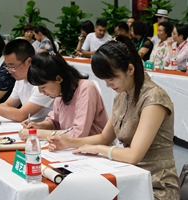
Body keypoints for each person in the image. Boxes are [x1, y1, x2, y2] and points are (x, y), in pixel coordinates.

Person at [48, 35, 180, 199]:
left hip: (155, 186)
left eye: (111, 79)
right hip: (128, 176)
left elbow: (133, 155)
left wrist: (98, 150)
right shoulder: (122, 95)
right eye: (104, 80)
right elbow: (105, 137)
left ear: (130, 70)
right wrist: (69, 142)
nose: (108, 85)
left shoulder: (154, 98)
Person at [18, 52, 108, 140]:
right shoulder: (60, 93)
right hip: (71, 149)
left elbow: (79, 133)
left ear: (58, 78)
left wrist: (37, 133)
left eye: (43, 87)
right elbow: (55, 122)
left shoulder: (86, 88)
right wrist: (39, 126)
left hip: (95, 151)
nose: (40, 91)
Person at [0, 39, 54, 122]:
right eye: (7, 67)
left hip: (45, 129)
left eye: (13, 66)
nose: (9, 71)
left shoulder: (43, 82)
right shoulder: (20, 79)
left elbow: (21, 115)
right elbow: (8, 105)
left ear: (29, 61)